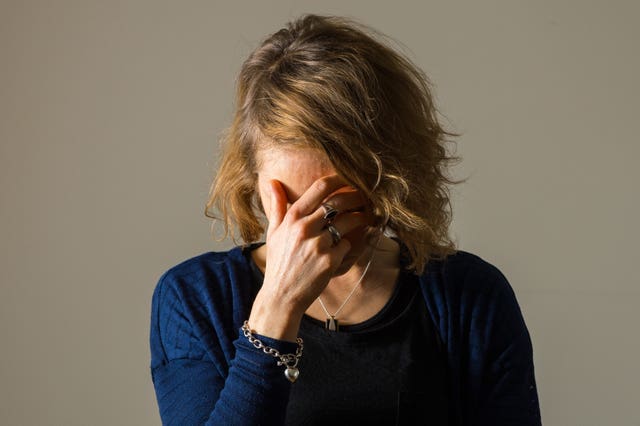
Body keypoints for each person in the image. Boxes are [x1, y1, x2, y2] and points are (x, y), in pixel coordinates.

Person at [149, 13, 541, 426]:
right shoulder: (194, 299)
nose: (310, 230)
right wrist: (278, 307)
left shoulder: (469, 298)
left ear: (388, 179)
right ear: (253, 178)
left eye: (334, 203)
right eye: (289, 201)